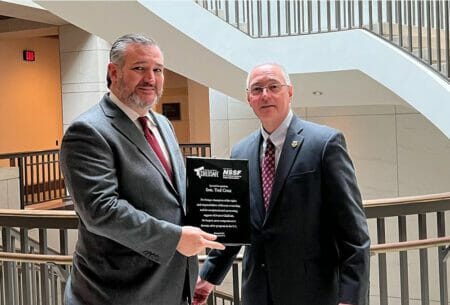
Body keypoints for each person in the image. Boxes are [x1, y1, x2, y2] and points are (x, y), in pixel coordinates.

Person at [60, 33, 224, 305]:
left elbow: (172, 198)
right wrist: (175, 240)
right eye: (139, 68)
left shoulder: (162, 124)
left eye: (157, 70)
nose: (151, 78)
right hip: (116, 293)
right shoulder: (88, 131)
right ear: (114, 72)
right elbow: (101, 210)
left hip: (168, 285)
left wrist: (186, 273)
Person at [193, 63, 370, 305]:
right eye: (257, 89)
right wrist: (209, 276)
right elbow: (236, 224)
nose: (265, 95)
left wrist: (350, 297)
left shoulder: (325, 144)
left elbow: (353, 233)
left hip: (311, 292)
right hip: (257, 292)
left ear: (290, 92)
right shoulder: (240, 151)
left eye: (273, 86)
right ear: (248, 98)